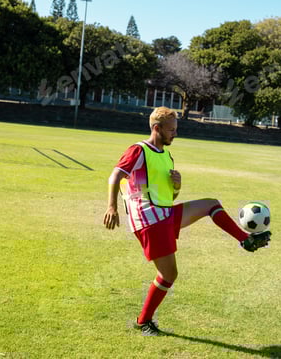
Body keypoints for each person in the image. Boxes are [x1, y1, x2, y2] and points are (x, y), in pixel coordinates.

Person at [103, 106, 271, 336]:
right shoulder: (139, 150)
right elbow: (115, 175)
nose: (175, 134)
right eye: (171, 130)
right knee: (169, 275)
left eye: (176, 129)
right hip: (150, 220)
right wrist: (112, 206)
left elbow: (170, 197)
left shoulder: (167, 156)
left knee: (211, 203)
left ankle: (246, 240)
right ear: (156, 128)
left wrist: (177, 185)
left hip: (165, 213)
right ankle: (144, 321)